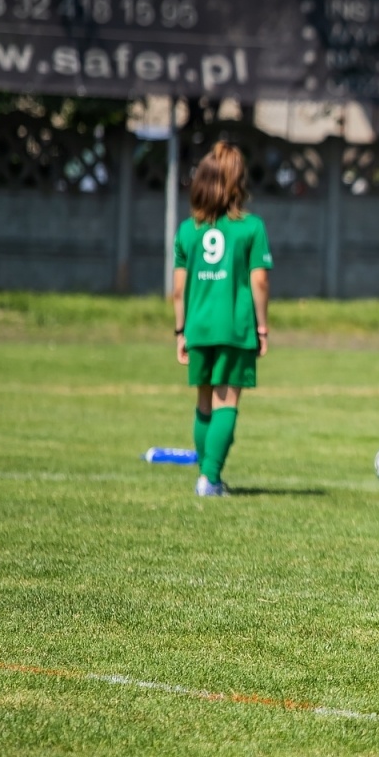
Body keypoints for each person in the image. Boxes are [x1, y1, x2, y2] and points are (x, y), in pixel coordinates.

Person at [171, 142, 271, 498]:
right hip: (234, 327)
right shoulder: (250, 228)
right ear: (237, 183)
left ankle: (205, 475)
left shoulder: (186, 231)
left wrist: (180, 331)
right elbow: (259, 281)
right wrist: (261, 326)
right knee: (226, 401)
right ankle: (209, 479)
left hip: (197, 327)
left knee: (203, 402)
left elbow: (179, 290)